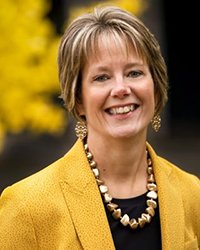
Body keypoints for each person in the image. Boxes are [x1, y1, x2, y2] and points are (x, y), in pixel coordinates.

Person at [0, 5, 199, 250]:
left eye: (134, 73)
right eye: (102, 77)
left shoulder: (193, 194)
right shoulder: (25, 208)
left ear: (156, 89)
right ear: (79, 99)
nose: (121, 88)